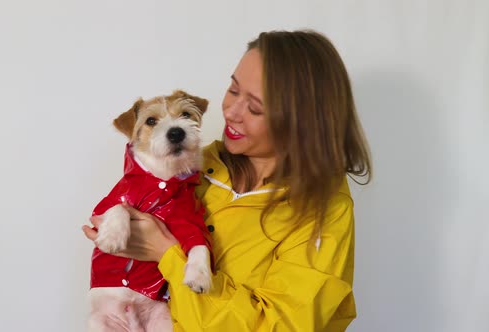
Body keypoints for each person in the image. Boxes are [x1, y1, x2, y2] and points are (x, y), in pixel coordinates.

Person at [82, 29, 372, 331]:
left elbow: (283, 325)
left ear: (302, 122)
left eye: (256, 107)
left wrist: (166, 254)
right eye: (233, 90)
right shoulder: (188, 169)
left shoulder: (323, 209)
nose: (231, 113)